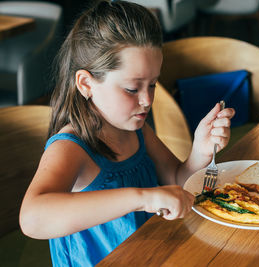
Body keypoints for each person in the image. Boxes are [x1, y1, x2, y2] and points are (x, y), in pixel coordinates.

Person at [19, 1, 235, 266]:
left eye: (153, 84)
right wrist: (141, 198)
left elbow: (178, 181)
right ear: (86, 84)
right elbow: (32, 219)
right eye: (132, 89)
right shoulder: (72, 147)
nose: (147, 100)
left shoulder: (137, 130)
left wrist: (200, 151)